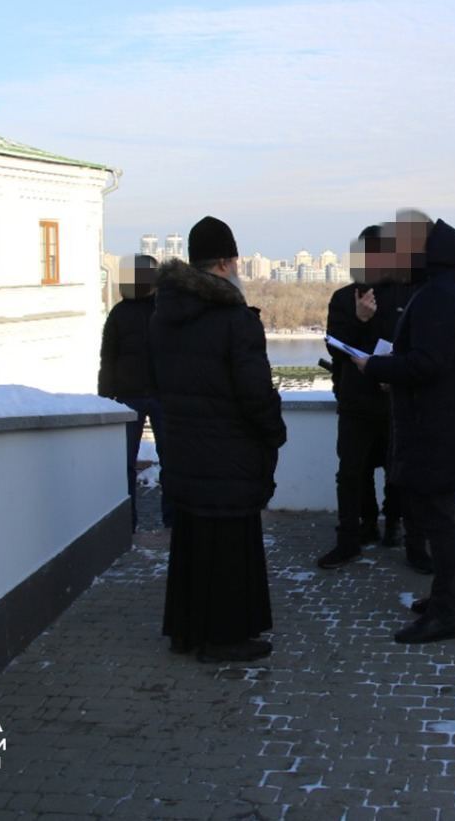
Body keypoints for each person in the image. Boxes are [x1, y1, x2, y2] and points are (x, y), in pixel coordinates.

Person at [150, 216, 287, 662]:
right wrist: (274, 431)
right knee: (231, 546)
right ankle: (226, 638)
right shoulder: (234, 319)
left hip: (185, 450)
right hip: (230, 453)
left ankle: (187, 632)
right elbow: (254, 393)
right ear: (227, 263)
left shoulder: (164, 314)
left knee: (191, 542)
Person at [353, 216, 455, 644]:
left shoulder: (439, 298)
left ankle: (446, 613)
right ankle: (444, 598)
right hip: (443, 425)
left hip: (434, 430)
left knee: (441, 522)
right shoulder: (450, 292)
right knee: (439, 517)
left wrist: (375, 366)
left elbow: (428, 363)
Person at [317, 225, 407, 569]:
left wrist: (395, 374)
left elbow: (413, 345)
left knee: (397, 471)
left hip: (394, 401)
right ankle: (352, 537)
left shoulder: (403, 295)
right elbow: (334, 346)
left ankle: (394, 526)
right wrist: (359, 320)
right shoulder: (344, 298)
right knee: (352, 473)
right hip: (355, 403)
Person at [98, 254, 172, 532]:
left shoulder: (120, 313)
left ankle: (128, 523)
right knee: (170, 461)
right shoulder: (163, 310)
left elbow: (108, 360)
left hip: (131, 395)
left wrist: (105, 398)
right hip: (157, 395)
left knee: (126, 464)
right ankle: (170, 521)